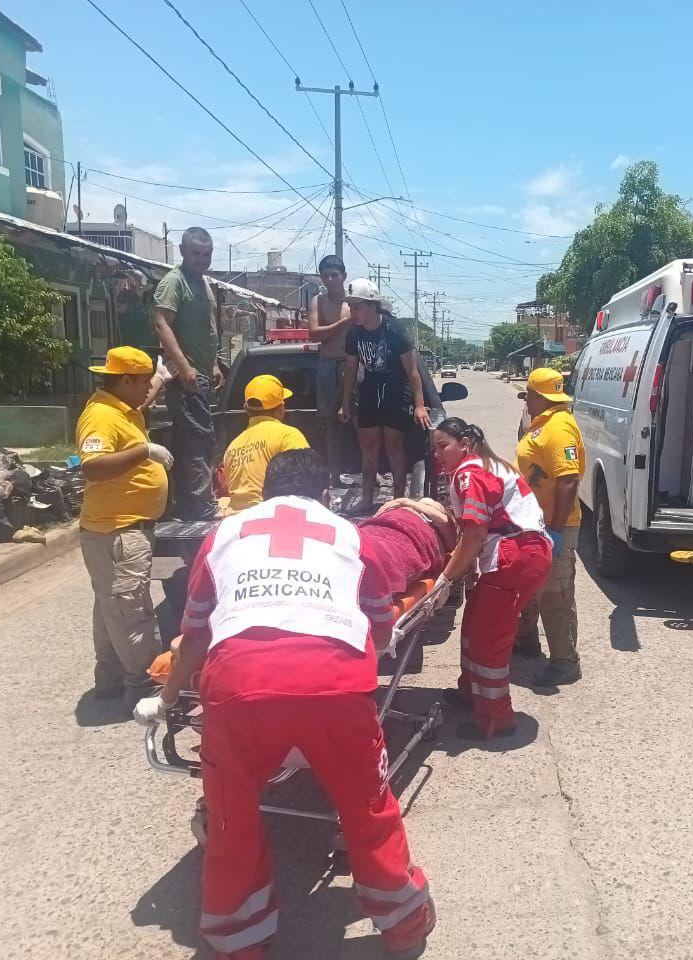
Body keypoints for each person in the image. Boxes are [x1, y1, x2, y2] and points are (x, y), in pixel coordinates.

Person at [134, 450, 435, 959]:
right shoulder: (349, 535)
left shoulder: (222, 536)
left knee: (231, 820)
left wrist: (164, 700)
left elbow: (194, 638)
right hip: (333, 686)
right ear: (326, 495)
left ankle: (240, 942)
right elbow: (381, 626)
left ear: (264, 490)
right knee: (368, 810)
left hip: (239, 687)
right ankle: (404, 924)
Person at [432, 418, 552, 740]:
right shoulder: (487, 465)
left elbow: (473, 535)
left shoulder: (470, 473)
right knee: (474, 624)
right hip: (521, 553)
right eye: (435, 447)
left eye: (443, 446)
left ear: (465, 444)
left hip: (515, 556)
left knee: (488, 639)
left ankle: (495, 719)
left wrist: (444, 581)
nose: (438, 454)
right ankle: (472, 691)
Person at [76, 346, 174, 708]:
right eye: (144, 381)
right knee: (130, 609)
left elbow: (142, 402)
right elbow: (93, 465)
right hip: (116, 530)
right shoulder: (100, 416)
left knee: (112, 607)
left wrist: (161, 381)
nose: (147, 388)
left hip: (122, 527)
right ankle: (145, 686)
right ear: (126, 380)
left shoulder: (123, 409)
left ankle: (112, 677)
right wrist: (145, 452)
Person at [514, 368, 585, 686]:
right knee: (529, 588)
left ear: (539, 397)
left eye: (527, 395)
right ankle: (526, 642)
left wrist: (555, 529)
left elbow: (568, 481)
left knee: (555, 596)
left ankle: (565, 663)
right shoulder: (542, 423)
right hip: (535, 523)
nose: (525, 400)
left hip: (556, 526)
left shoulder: (560, 428)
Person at [339, 279, 432, 510]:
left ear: (372, 306)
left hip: (396, 390)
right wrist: (345, 403)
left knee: (394, 448)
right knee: (368, 451)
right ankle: (367, 500)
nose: (353, 312)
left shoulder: (394, 330)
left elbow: (412, 371)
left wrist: (419, 405)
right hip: (370, 389)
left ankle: (398, 500)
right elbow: (350, 370)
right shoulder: (353, 333)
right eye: (351, 307)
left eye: (357, 306)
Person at [154, 225, 221, 520]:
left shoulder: (203, 282)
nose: (201, 259)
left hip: (203, 374)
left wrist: (215, 363)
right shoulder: (175, 281)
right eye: (196, 254)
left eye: (206, 254)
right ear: (182, 251)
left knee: (198, 439)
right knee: (197, 439)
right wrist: (183, 367)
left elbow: (207, 327)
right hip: (187, 378)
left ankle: (191, 503)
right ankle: (199, 506)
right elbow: (161, 323)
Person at [222, 374, 309, 512]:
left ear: (247, 409)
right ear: (281, 408)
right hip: (272, 519)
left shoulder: (232, 446)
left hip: (237, 522)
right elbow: (306, 480)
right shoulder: (288, 435)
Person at [306, 254, 353, 485]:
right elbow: (314, 333)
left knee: (360, 420)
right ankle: (334, 475)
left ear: (344, 276)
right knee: (331, 424)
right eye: (326, 276)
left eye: (335, 275)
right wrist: (344, 323)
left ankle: (369, 473)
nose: (331, 280)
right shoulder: (318, 301)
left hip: (352, 364)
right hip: (327, 365)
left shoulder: (354, 301)